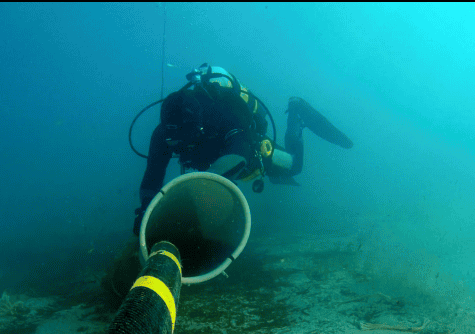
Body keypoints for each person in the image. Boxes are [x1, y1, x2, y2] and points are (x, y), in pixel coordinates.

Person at [133, 63, 353, 236]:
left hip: (249, 148)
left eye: (182, 139)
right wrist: (146, 211)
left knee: (293, 166)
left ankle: (296, 112)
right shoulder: (164, 132)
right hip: (216, 161)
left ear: (197, 126)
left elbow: (240, 153)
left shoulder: (226, 113)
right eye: (172, 140)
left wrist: (198, 188)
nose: (176, 146)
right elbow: (153, 174)